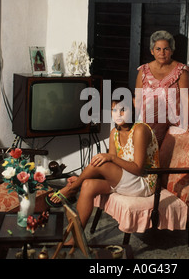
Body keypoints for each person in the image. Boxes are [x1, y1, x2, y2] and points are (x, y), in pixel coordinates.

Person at [46, 97, 160, 231]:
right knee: (88, 185)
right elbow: (111, 170)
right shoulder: (114, 133)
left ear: (132, 110)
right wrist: (85, 179)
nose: (118, 114)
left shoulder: (140, 130)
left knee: (103, 162)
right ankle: (76, 236)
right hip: (126, 179)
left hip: (144, 182)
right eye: (114, 110)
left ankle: (72, 188)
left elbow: (138, 170)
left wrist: (111, 157)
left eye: (123, 110)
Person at [136, 30, 189, 145]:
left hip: (172, 127)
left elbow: (187, 99)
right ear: (152, 51)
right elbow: (137, 98)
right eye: (158, 49)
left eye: (166, 49)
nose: (162, 53)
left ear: (172, 51)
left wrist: (185, 124)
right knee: (145, 160)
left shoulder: (181, 71)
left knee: (167, 161)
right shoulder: (143, 71)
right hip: (146, 126)